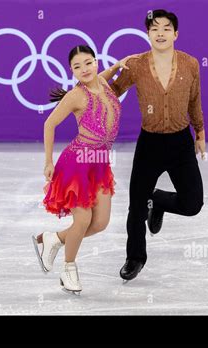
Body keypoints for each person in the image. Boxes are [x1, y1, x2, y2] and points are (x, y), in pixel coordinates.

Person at [109, 9, 207, 281]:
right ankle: (135, 257)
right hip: (150, 144)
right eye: (155, 28)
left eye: (166, 28)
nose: (160, 33)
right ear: (148, 34)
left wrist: (199, 132)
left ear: (175, 34)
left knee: (193, 204)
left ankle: (158, 201)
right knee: (135, 207)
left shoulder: (190, 64)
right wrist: (112, 69)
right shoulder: (137, 65)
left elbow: (194, 100)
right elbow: (111, 92)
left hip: (180, 143)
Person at [32, 45, 139, 294]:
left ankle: (54, 238)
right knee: (83, 219)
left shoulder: (103, 82)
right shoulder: (75, 96)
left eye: (88, 63)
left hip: (100, 163)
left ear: (96, 63)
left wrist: (118, 64)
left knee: (100, 222)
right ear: (71, 72)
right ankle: (68, 270)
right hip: (76, 164)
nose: (84, 69)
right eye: (77, 67)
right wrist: (48, 162)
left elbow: (107, 72)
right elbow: (49, 124)